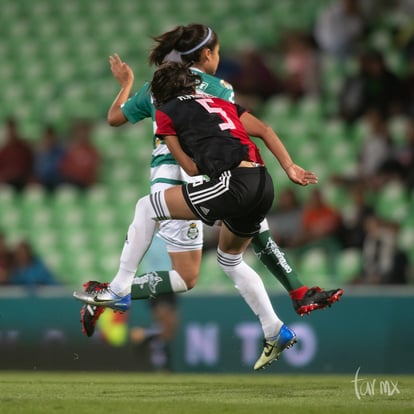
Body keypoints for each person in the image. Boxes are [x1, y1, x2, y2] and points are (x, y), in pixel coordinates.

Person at [79, 24, 343, 342]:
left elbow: (114, 118)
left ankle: (109, 292)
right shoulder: (221, 89)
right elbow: (238, 134)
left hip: (167, 179)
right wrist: (279, 165)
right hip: (207, 176)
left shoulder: (156, 86)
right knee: (243, 228)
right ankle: (295, 292)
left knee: (187, 275)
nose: (217, 57)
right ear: (206, 54)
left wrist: (127, 84)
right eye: (216, 52)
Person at [59, 119, 101, 189]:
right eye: (80, 133)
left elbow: (95, 170)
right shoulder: (71, 150)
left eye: (84, 132)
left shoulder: (93, 151)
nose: (82, 135)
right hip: (72, 183)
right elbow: (65, 168)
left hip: (87, 184)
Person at [0, 117, 34, 191]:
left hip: (22, 180)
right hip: (7, 181)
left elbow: (31, 165)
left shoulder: (24, 148)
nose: (11, 132)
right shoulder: (4, 150)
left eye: (13, 129)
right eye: (9, 130)